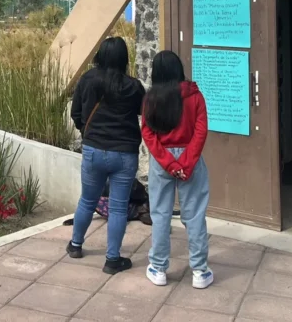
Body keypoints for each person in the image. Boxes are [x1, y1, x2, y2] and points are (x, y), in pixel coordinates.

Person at [68, 36, 145, 275]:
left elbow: (76, 112)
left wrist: (87, 131)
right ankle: (112, 259)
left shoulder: (88, 80)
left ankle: (76, 245)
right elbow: (142, 113)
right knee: (119, 207)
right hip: (124, 153)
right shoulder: (134, 87)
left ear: (100, 55)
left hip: (93, 150)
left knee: (87, 201)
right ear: (124, 58)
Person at [141, 50, 213, 290]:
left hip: (161, 161)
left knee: (160, 214)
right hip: (189, 159)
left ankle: (159, 268)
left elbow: (148, 133)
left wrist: (169, 163)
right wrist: (187, 163)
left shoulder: (151, 99)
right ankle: (200, 271)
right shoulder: (195, 96)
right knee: (194, 216)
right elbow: (201, 131)